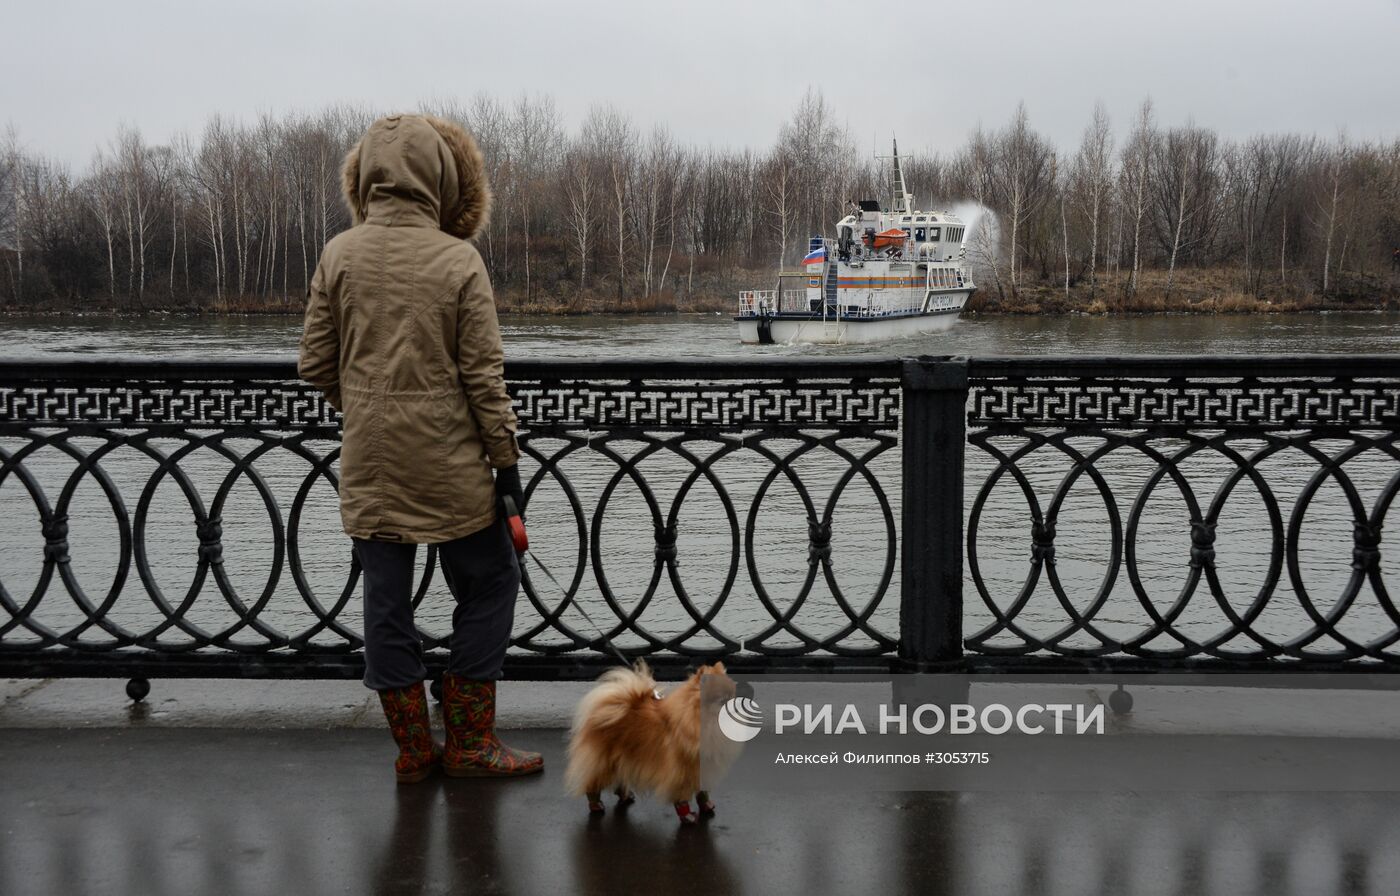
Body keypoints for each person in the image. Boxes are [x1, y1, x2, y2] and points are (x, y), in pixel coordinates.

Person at [299, 114, 542, 783]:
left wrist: (367, 409)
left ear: (365, 177)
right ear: (442, 178)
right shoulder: (459, 260)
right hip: (454, 468)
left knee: (386, 603)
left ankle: (413, 753)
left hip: (372, 465)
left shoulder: (338, 255)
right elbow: (484, 379)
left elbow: (316, 364)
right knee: (491, 582)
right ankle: (468, 741)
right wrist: (507, 466)